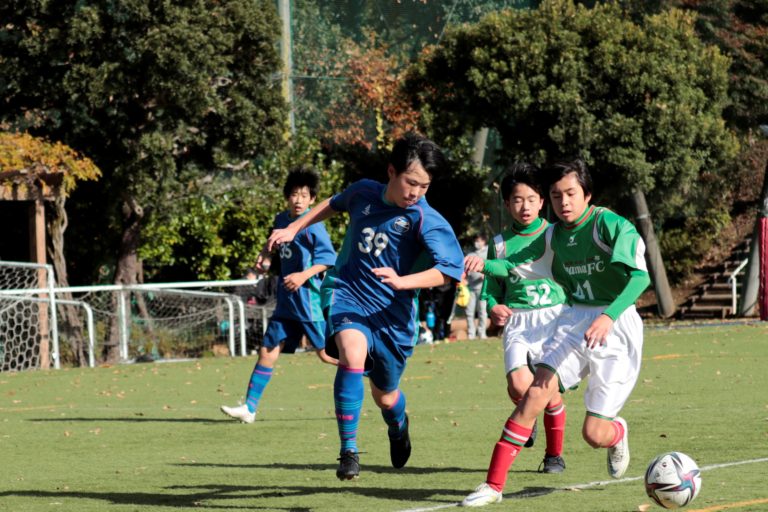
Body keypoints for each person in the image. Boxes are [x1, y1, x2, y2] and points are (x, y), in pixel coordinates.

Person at [266, 133, 464, 481]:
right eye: (411, 182)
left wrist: (403, 281)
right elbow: (333, 203)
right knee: (352, 353)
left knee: (385, 397)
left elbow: (450, 270)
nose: (416, 192)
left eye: (424, 186)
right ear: (391, 172)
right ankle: (349, 451)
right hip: (348, 294)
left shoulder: (425, 218)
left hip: (393, 317)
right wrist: (294, 228)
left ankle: (398, 425)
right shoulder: (363, 192)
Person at [461, 158, 650, 507]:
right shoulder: (552, 235)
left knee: (594, 434)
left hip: (618, 324)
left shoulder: (611, 225)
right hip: (575, 319)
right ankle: (493, 485)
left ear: (587, 194)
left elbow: (640, 277)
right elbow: (512, 264)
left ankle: (617, 433)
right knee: (535, 392)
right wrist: (481, 264)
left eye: (571, 193)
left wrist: (608, 317)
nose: (564, 202)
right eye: (556, 195)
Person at [220, 167, 338, 424]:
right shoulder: (281, 220)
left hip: (308, 301)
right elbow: (271, 245)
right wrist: (263, 258)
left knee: (326, 355)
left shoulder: (314, 226)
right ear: (287, 197)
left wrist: (303, 276)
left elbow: (329, 259)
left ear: (312, 199)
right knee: (267, 350)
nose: (298, 200)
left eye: (304, 196)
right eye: (294, 194)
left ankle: (373, 374)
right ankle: (249, 408)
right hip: (286, 302)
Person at [479, 163, 571, 477]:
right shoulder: (500, 244)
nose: (525, 206)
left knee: (547, 389)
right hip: (519, 322)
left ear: (542, 202)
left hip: (553, 319)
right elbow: (492, 288)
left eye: (531, 199)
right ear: (507, 204)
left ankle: (554, 456)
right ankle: (527, 416)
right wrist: (493, 306)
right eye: (518, 200)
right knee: (519, 386)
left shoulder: (554, 234)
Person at [463, 233, 488, 339]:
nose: (477, 243)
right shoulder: (470, 254)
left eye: (479, 241)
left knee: (483, 311)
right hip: (470, 288)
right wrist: (463, 279)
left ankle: (482, 333)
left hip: (483, 288)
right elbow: (464, 270)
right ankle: (471, 334)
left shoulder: (488, 252)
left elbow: (494, 267)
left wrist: (486, 274)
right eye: (476, 241)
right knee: (469, 312)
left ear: (484, 241)